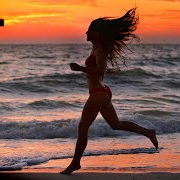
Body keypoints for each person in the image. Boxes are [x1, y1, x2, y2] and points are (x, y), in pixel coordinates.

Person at [60, 7, 158, 174]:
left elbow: (100, 70)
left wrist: (80, 68)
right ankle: (148, 132)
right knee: (116, 125)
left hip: (98, 94)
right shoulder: (96, 48)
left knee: (83, 126)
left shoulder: (100, 50)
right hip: (102, 93)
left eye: (89, 30)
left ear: (96, 32)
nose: (85, 33)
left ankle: (75, 163)